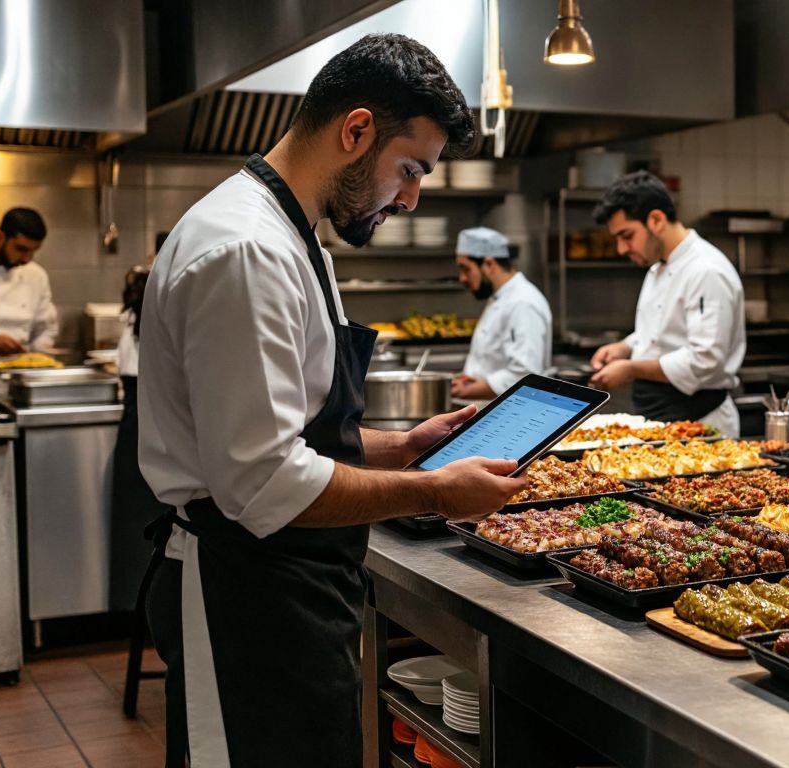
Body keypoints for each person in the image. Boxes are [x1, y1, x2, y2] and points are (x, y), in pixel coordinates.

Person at [138, 34, 527, 767]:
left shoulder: (295, 236)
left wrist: (402, 447)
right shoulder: (246, 250)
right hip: (243, 596)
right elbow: (264, 481)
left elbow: (294, 431)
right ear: (356, 131)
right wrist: (434, 492)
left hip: (286, 587)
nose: (410, 198)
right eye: (409, 169)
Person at [588, 171, 746, 437]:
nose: (621, 249)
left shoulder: (705, 271)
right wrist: (626, 347)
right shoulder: (658, 266)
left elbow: (705, 360)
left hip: (700, 420)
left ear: (656, 220)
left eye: (627, 235)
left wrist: (632, 369)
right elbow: (662, 331)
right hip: (661, 415)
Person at [109, 231, 170, 611]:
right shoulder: (171, 289)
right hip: (159, 417)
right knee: (155, 522)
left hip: (141, 416)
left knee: (138, 522)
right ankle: (152, 608)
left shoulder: (150, 287)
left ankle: (137, 608)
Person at [451, 226, 552, 399]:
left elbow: (525, 374)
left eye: (466, 269)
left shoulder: (523, 303)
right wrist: (469, 380)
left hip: (514, 410)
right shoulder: (500, 297)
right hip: (489, 407)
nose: (462, 278)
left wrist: (468, 391)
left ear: (489, 264)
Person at [0, 207, 58, 363]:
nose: (27, 259)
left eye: (33, 251)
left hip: (18, 371)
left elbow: (46, 329)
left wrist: (37, 357)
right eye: (21, 249)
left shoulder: (36, 276)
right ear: (0, 236)